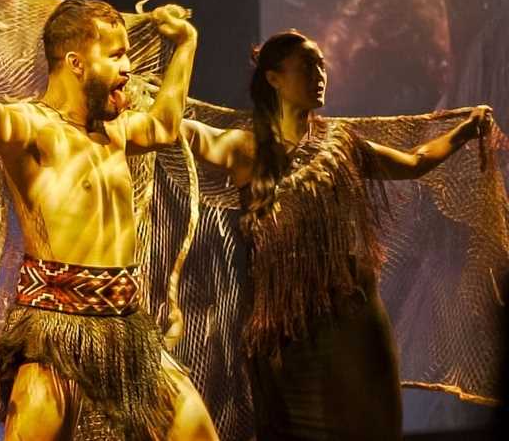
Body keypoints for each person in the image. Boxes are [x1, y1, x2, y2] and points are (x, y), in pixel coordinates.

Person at [0, 0, 219, 440]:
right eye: (116, 55)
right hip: (54, 334)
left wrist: (186, 45)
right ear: (76, 63)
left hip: (128, 330)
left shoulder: (117, 133)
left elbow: (164, 125)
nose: (128, 68)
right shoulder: (31, 128)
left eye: (127, 54)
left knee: (196, 432)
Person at [181, 29, 493, 440]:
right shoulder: (245, 149)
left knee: (370, 427)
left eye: (322, 65)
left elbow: (415, 162)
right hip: (286, 328)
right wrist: (173, 59)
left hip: (355, 320)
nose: (320, 73)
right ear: (273, 77)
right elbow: (180, 129)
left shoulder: (342, 143)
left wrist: (466, 130)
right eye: (308, 65)